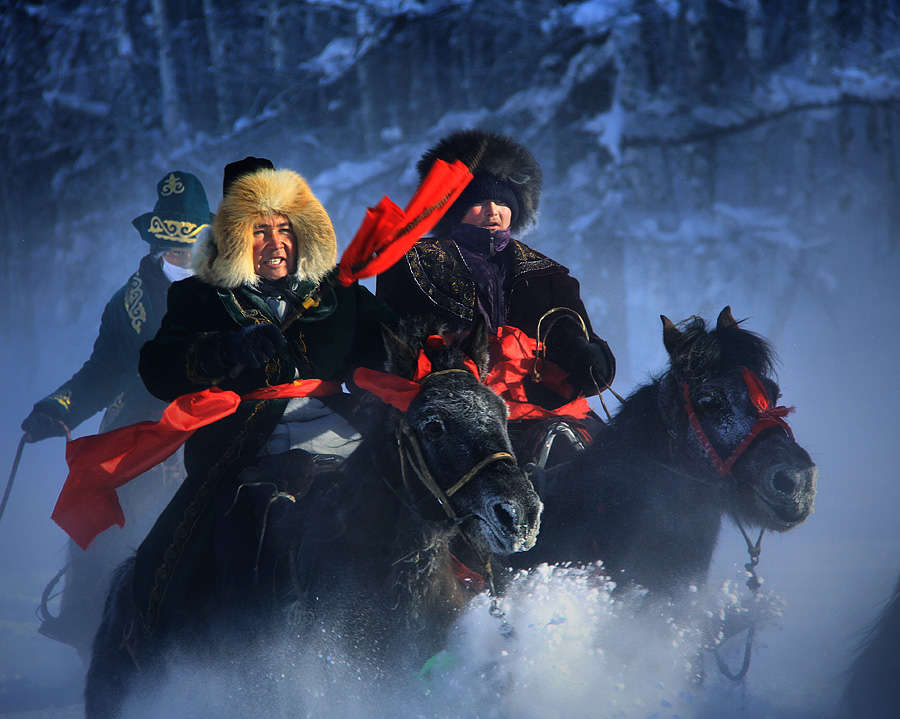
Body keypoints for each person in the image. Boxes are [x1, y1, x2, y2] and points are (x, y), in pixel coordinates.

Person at [132, 157, 397, 636]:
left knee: (415, 499)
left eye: (285, 229)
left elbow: (393, 341)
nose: (276, 243)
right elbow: (158, 368)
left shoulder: (341, 292)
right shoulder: (198, 297)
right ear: (233, 238)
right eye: (258, 230)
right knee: (194, 545)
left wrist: (426, 348)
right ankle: (237, 643)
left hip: (345, 434)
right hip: (246, 445)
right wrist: (223, 349)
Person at [20, 170, 212, 660]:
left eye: (187, 250)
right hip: (139, 427)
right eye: (168, 250)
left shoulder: (234, 291)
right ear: (153, 244)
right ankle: (85, 622)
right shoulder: (125, 305)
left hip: (216, 420)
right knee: (98, 512)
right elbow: (102, 371)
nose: (178, 260)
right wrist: (57, 407)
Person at [376, 129, 615, 459]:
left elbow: (573, 334)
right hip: (455, 407)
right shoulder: (411, 262)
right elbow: (391, 342)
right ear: (453, 208)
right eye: (478, 202)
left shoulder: (549, 274)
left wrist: (590, 357)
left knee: (613, 462)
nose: (493, 211)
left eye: (503, 202)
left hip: (544, 402)